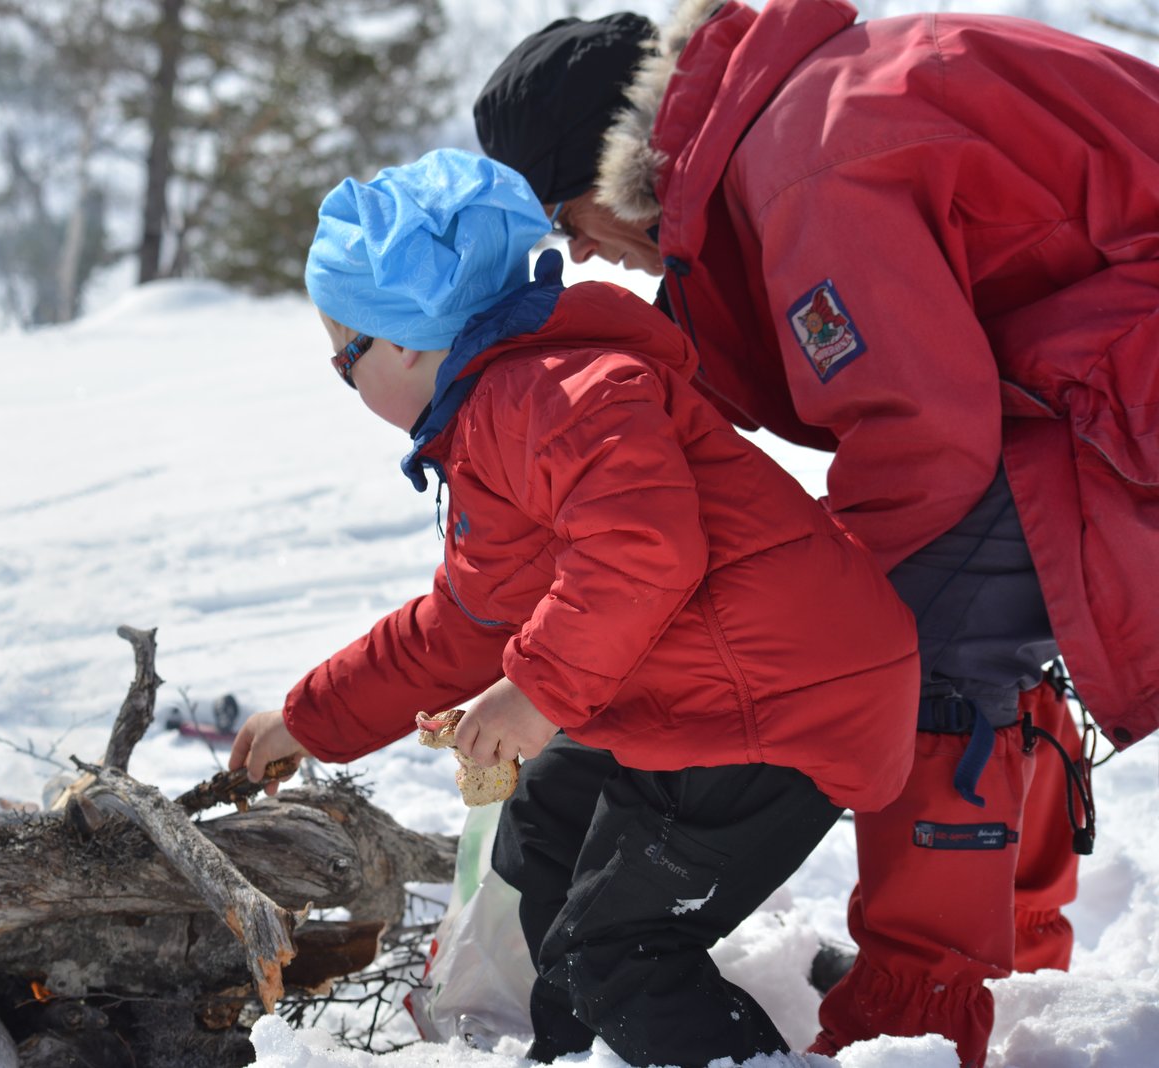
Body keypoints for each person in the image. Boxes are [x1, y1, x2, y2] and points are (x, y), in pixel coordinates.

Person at [471, 2, 1159, 1064]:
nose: (584, 253)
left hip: (1109, 371)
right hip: (1087, 364)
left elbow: (922, 438)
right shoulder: (793, 120)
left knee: (913, 638)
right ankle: (1007, 954)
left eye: (567, 219)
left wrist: (814, 612)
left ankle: (917, 1016)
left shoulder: (809, 162)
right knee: (961, 599)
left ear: (613, 163)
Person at [229, 146, 921, 1066]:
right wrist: (308, 718)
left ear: (404, 344)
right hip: (710, 689)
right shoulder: (499, 411)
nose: (344, 378)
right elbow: (462, 625)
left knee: (617, 955)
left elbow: (644, 547)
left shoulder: (548, 395)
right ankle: (576, 1051)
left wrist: (536, 693)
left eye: (343, 358)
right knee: (545, 821)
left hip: (776, 706)